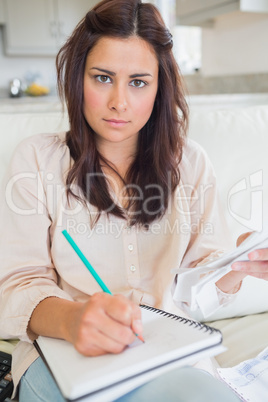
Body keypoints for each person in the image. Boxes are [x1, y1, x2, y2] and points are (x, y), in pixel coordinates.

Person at [0, 0, 267, 400]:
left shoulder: (191, 163)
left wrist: (235, 267)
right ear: (77, 78)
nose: (119, 103)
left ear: (160, 87)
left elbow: (196, 291)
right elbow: (16, 287)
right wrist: (74, 320)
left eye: (138, 82)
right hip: (62, 352)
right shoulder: (37, 160)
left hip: (166, 353)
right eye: (103, 78)